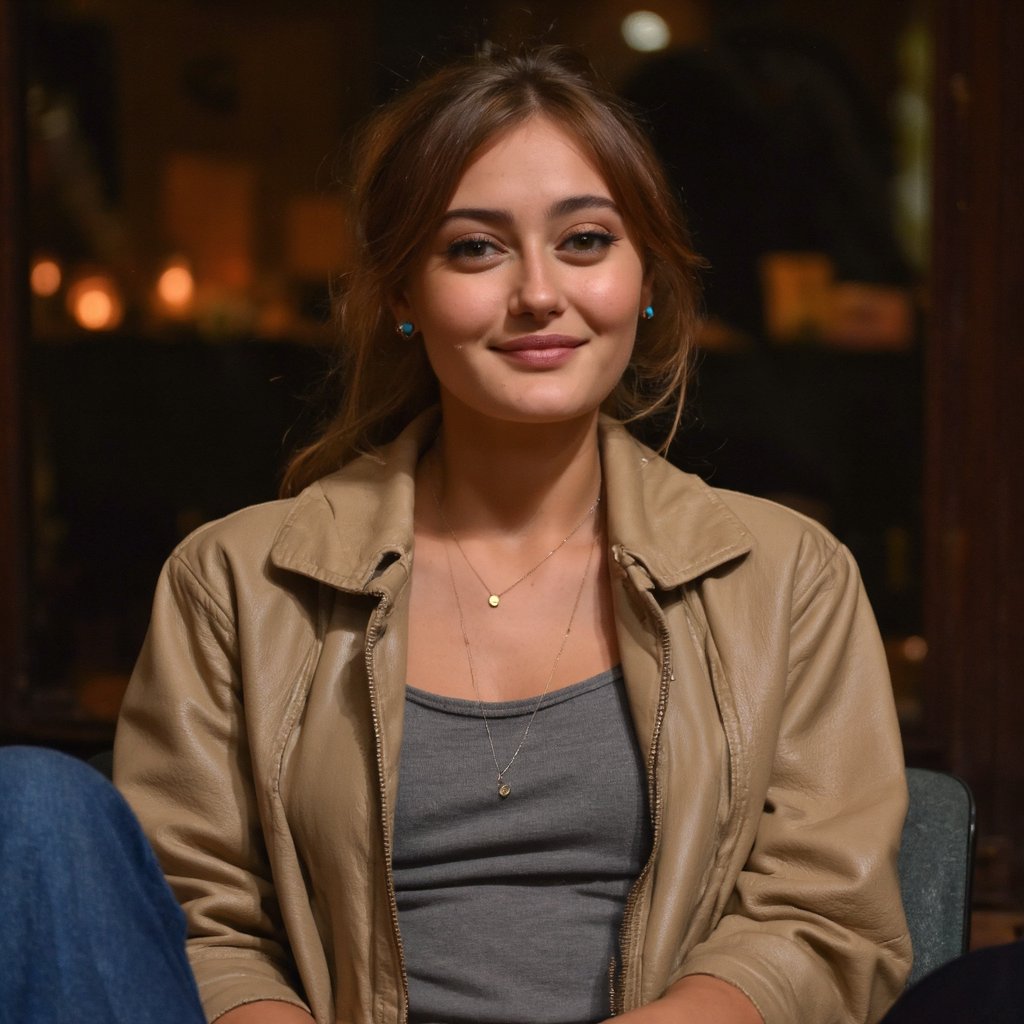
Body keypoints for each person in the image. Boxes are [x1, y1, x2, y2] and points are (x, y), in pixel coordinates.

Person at [42, 44, 906, 1024]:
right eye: (474, 248)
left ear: (645, 278)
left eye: (585, 241)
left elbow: (823, 916)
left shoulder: (785, 575)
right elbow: (191, 921)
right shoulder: (237, 580)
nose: (538, 292)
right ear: (402, 294)